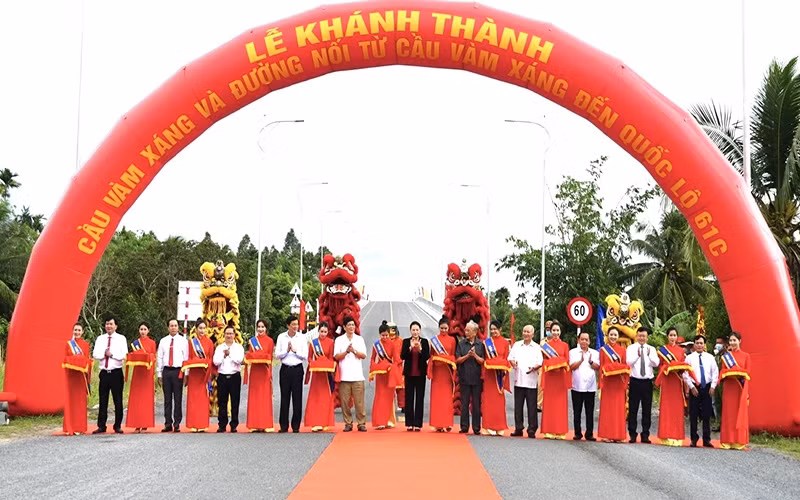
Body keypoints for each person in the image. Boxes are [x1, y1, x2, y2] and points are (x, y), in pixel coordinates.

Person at [92, 315, 128, 434]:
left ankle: (117, 425)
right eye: (107, 324)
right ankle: (101, 425)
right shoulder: (100, 339)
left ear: (116, 326)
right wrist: (104, 353)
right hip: (104, 373)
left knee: (117, 399)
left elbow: (124, 355)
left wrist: (112, 355)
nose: (109, 326)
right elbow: (95, 354)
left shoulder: (121, 338)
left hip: (116, 372)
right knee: (103, 400)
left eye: (111, 324)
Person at [656, 326, 690, 446]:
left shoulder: (681, 351)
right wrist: (665, 369)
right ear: (667, 336)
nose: (673, 337)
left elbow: (683, 366)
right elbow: (659, 365)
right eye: (670, 335)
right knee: (666, 408)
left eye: (674, 335)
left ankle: (677, 436)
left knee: (677, 409)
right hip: (667, 380)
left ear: (677, 337)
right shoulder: (663, 350)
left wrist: (680, 370)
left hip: (677, 382)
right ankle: (665, 435)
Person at [683, 335, 719, 447]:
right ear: (694, 344)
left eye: (701, 343)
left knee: (706, 415)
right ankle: (694, 439)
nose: (699, 345)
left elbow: (715, 373)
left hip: (707, 388)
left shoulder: (710, 357)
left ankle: (706, 439)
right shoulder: (689, 358)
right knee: (693, 414)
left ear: (704, 345)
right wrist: (691, 387)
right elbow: (685, 373)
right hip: (695, 387)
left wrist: (713, 386)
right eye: (697, 343)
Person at [626, 326, 660, 443]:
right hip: (635, 381)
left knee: (647, 408)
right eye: (640, 336)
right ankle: (632, 433)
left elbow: (656, 363)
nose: (642, 338)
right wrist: (638, 355)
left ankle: (645, 434)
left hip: (647, 382)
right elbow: (628, 362)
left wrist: (649, 355)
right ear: (636, 336)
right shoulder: (631, 348)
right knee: (633, 408)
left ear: (647, 337)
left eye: (644, 336)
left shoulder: (651, 349)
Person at [333, 316, 368, 432]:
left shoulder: (359, 339)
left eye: (353, 325)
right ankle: (348, 423)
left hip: (357, 376)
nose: (351, 327)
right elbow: (336, 356)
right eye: (349, 325)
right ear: (344, 327)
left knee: (359, 402)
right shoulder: (339, 340)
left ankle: (361, 423)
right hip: (344, 376)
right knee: (345, 402)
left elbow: (363, 355)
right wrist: (346, 352)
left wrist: (354, 351)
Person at [508, 324, 543, 438]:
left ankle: (532, 429)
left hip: (531, 381)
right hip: (519, 379)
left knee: (532, 406)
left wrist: (535, 367)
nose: (526, 334)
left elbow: (540, 362)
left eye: (528, 332)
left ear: (533, 334)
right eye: (524, 331)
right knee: (518, 406)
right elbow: (510, 358)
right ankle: (518, 428)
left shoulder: (537, 347)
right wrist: (513, 363)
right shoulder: (517, 345)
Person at [275, 315, 307, 433]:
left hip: (297, 369)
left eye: (296, 324)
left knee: (297, 398)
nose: (295, 327)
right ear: (288, 325)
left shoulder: (302, 338)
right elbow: (277, 355)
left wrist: (295, 351)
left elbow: (304, 355)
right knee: (284, 397)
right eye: (293, 324)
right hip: (285, 369)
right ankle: (283, 425)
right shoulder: (281, 337)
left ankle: (296, 425)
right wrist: (286, 351)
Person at [719, 332, 751, 450]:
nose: (732, 343)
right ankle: (727, 440)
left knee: (739, 413)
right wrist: (727, 374)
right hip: (729, 387)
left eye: (734, 340)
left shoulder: (746, 356)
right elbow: (722, 372)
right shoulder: (726, 357)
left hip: (740, 389)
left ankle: (739, 440)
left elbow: (748, 373)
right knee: (728, 414)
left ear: (740, 341)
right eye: (731, 341)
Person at [597, 326, 629, 442]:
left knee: (619, 410)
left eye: (615, 335)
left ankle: (618, 435)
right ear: (607, 335)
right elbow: (601, 367)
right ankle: (607, 434)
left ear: (618, 336)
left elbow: (625, 365)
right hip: (608, 383)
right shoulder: (603, 350)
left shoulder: (622, 350)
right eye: (611, 334)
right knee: (607, 409)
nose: (613, 337)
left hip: (618, 383)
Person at [157, 318, 189, 432]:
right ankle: (167, 423)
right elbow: (159, 358)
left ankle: (177, 423)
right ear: (168, 327)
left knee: (178, 398)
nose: (173, 328)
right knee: (167, 399)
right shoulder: (163, 341)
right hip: (166, 371)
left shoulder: (183, 341)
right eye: (171, 326)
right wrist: (159, 373)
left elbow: (186, 358)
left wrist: (187, 374)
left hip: (178, 371)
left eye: (175, 325)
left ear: (178, 327)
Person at [540, 320, 570, 439]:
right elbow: (544, 362)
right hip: (550, 378)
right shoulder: (546, 346)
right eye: (553, 330)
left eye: (557, 330)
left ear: (560, 332)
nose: (555, 332)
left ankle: (560, 431)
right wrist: (558, 362)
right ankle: (549, 430)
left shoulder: (565, 345)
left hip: (560, 379)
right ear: (550, 331)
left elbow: (566, 361)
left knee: (560, 406)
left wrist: (557, 363)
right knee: (550, 405)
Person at [125, 322, 156, 433]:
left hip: (147, 374)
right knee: (136, 400)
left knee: (146, 400)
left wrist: (148, 357)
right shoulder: (135, 343)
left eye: (145, 329)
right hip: (137, 373)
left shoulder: (152, 343)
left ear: (148, 330)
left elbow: (153, 357)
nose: (143, 331)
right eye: (141, 329)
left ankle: (145, 424)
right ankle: (136, 423)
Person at [455, 321, 486, 435]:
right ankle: (464, 426)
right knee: (464, 403)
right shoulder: (461, 344)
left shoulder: (480, 345)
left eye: (468, 330)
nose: (466, 332)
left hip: (477, 378)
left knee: (476, 404)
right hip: (464, 377)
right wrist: (467, 355)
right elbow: (457, 359)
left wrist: (475, 355)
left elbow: (483, 361)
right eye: (466, 330)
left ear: (475, 332)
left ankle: (476, 427)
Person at [304, 321, 336, 431]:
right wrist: (314, 363)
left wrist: (327, 364)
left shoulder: (331, 342)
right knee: (316, 397)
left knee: (325, 398)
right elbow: (309, 358)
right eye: (321, 331)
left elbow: (331, 358)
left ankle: (325, 422)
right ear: (318, 331)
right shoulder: (313, 343)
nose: (323, 334)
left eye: (325, 332)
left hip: (326, 374)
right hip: (317, 374)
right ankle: (315, 422)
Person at [481, 319, 511, 435]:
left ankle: (499, 426)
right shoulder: (486, 342)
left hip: (500, 375)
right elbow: (484, 358)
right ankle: (488, 426)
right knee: (488, 400)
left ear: (500, 329)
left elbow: (506, 358)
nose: (493, 331)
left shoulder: (505, 342)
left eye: (495, 329)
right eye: (491, 329)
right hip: (489, 375)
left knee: (499, 402)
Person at [184, 319, 214, 432]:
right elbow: (188, 358)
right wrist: (186, 374)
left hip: (204, 375)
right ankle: (193, 424)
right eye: (200, 328)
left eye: (204, 328)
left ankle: (202, 424)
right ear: (196, 329)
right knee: (193, 399)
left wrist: (208, 372)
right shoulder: (191, 342)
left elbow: (210, 358)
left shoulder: (210, 342)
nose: (202, 330)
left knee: (202, 400)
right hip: (193, 374)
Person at [569, 331, 600, 441]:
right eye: (582, 339)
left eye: (586, 339)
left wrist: (591, 362)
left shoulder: (595, 353)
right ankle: (577, 433)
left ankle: (589, 433)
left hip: (590, 387)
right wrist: (581, 360)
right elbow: (571, 367)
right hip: (576, 386)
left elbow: (598, 367)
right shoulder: (573, 352)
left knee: (589, 411)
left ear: (589, 341)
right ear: (578, 340)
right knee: (577, 411)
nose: (584, 341)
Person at [213, 325, 245, 432]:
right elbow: (216, 362)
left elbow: (240, 360)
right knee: (222, 402)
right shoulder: (219, 347)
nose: (229, 335)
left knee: (235, 401)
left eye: (231, 333)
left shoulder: (238, 347)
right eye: (227, 333)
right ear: (224, 334)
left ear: (234, 335)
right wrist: (223, 356)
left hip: (234, 376)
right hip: (222, 376)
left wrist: (229, 354)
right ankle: (222, 424)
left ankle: (234, 424)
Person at [428, 316, 457, 432]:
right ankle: (437, 423)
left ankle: (447, 423)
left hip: (447, 372)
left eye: (445, 328)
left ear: (449, 328)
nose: (443, 330)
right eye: (441, 328)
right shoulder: (434, 340)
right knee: (437, 399)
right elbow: (431, 355)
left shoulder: (452, 340)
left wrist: (448, 359)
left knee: (446, 399)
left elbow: (454, 355)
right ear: (438, 328)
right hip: (437, 372)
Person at [246, 319, 275, 432]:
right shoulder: (253, 341)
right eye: (259, 327)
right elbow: (250, 355)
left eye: (263, 327)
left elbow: (270, 357)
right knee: (254, 397)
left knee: (264, 397)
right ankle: (253, 424)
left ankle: (265, 424)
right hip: (255, 372)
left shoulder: (270, 341)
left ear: (266, 328)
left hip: (264, 372)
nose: (260, 329)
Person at [370, 322, 401, 429]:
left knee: (389, 398)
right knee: (379, 397)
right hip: (380, 374)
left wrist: (392, 367)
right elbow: (372, 359)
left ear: (389, 334)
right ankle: (379, 421)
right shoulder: (376, 345)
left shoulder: (392, 344)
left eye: (386, 335)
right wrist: (372, 370)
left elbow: (397, 360)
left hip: (389, 374)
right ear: (379, 335)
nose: (385, 337)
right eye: (383, 335)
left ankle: (389, 420)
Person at [401, 320, 430, 431]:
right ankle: (409, 423)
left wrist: (420, 349)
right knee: (409, 398)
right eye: (413, 330)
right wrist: (410, 348)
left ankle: (418, 423)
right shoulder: (406, 341)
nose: (415, 332)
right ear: (410, 331)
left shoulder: (425, 342)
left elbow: (427, 356)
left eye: (417, 330)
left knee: (419, 398)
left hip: (420, 374)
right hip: (409, 374)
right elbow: (402, 356)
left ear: (420, 331)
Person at [63, 323, 91, 435]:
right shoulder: (68, 344)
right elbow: (65, 358)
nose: (77, 332)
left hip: (80, 377)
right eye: (75, 330)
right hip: (71, 377)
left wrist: (79, 361)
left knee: (80, 402)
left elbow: (87, 360)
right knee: (70, 401)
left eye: (79, 330)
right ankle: (69, 426)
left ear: (82, 332)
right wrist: (73, 360)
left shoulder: (85, 345)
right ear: (72, 331)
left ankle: (79, 427)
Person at [387, 321, 404, 422]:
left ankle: (403, 405)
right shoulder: (384, 341)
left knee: (401, 387)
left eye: (393, 329)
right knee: (389, 387)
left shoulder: (400, 341)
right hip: (388, 367)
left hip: (398, 366)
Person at [537, 320, 553, 412]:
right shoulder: (543, 342)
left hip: (553, 366)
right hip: (543, 365)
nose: (548, 331)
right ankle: (539, 405)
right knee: (540, 385)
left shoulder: (557, 341)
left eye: (550, 329)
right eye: (547, 329)